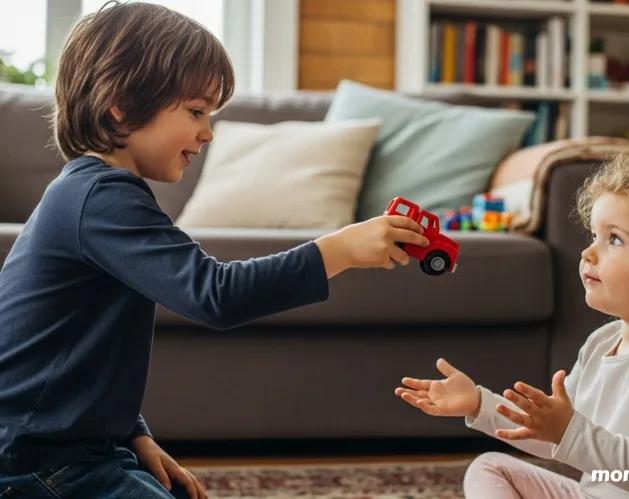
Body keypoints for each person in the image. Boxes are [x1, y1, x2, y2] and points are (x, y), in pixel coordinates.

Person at [0, 2, 430, 499]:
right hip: (37, 463)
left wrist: (134, 435)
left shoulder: (95, 195)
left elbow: (82, 351)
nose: (208, 132)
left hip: (68, 448)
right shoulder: (101, 198)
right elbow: (214, 294)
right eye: (196, 111)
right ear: (121, 102)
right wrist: (340, 249)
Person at [396, 152, 629, 498]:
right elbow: (555, 438)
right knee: (490, 468)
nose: (588, 253)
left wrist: (570, 430)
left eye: (614, 239)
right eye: (593, 236)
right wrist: (478, 404)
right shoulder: (602, 342)